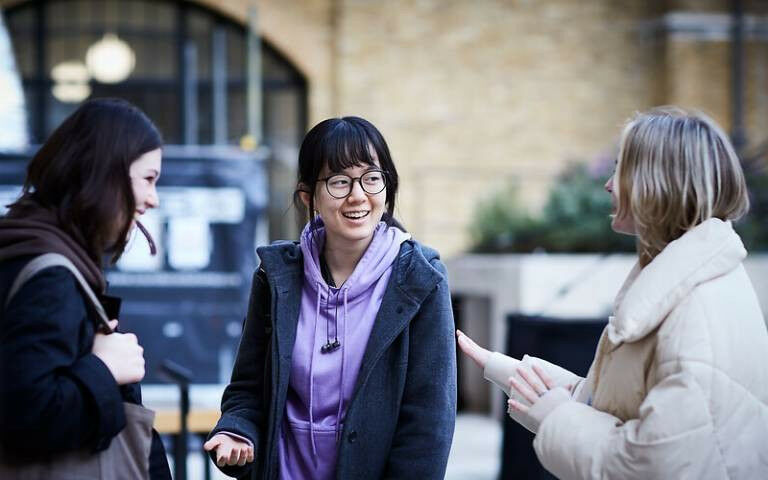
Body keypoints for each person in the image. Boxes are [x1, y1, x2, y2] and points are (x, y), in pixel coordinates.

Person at [457, 107, 768, 478]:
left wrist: (555, 414)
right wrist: (499, 367)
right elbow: (606, 406)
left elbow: (648, 466)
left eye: (621, 166)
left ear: (657, 180)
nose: (607, 184)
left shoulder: (692, 314)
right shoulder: (690, 282)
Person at [204, 116, 457, 479]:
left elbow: (430, 418)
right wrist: (235, 430)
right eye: (339, 181)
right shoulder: (276, 276)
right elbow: (248, 389)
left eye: (371, 178)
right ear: (309, 195)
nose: (358, 195)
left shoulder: (421, 278)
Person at [0, 98, 171, 479]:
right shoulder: (49, 277)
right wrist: (105, 368)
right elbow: (27, 416)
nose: (153, 199)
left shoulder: (23, 248)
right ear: (105, 174)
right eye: (147, 178)